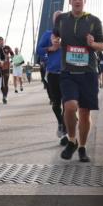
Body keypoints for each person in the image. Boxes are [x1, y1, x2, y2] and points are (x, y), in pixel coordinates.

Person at [56, 0, 103, 164]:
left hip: (88, 73)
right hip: (68, 72)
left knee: (84, 113)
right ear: (70, 1)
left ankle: (83, 147)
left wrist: (93, 45)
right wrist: (55, 42)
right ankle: (72, 140)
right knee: (70, 107)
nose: (77, 1)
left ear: (85, 0)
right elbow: (55, 36)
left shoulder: (93, 21)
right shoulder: (61, 20)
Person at [36, 11, 67, 144]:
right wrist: (51, 48)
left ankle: (65, 132)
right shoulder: (47, 34)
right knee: (56, 103)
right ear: (54, 21)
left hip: (67, 74)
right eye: (57, 18)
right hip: (53, 74)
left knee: (69, 104)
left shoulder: (69, 34)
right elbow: (38, 50)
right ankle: (60, 122)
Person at [0, 37, 12, 104]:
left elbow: (13, 55)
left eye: (2, 41)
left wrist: (11, 61)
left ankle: (5, 96)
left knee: (5, 83)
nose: (1, 42)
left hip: (6, 67)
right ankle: (4, 95)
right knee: (0, 84)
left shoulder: (7, 47)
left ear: (4, 41)